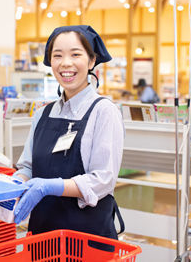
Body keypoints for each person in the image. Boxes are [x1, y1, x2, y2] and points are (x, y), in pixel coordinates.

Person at [13, 25, 125, 240]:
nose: (66, 63)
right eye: (57, 56)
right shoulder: (42, 113)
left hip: (86, 238)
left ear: (92, 61)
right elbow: (28, 166)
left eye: (75, 54)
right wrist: (14, 182)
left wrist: (50, 186)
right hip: (43, 236)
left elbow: (103, 180)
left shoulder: (104, 111)